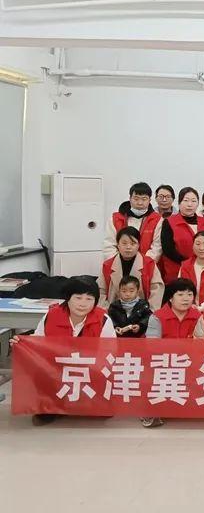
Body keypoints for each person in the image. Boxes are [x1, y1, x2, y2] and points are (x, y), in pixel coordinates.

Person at [10, 280, 115, 426]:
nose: (83, 303)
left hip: (90, 367)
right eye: (78, 298)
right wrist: (22, 342)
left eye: (89, 299)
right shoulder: (51, 315)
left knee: (103, 410)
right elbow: (38, 340)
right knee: (40, 370)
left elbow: (110, 350)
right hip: (57, 367)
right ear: (68, 298)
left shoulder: (103, 319)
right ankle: (49, 406)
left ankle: (89, 400)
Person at [142, 278, 201, 428]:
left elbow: (203, 344)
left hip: (191, 361)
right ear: (170, 297)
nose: (186, 299)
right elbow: (152, 346)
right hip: (164, 362)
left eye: (190, 294)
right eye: (180, 294)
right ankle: (152, 411)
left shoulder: (199, 316)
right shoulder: (157, 317)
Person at [98, 226, 164, 310]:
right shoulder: (107, 265)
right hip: (113, 311)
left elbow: (157, 290)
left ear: (138, 245)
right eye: (124, 243)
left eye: (133, 243)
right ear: (118, 245)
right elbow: (101, 291)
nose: (128, 247)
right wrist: (108, 312)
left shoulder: (149, 264)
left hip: (142, 312)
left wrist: (149, 313)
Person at [156, 187, 204, 283]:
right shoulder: (169, 221)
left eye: (193, 201)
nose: (189, 204)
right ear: (179, 202)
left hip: (202, 268)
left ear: (198, 203)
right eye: (186, 200)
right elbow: (168, 249)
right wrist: (188, 263)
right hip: (176, 270)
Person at [103, 181, 162, 259]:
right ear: (130, 199)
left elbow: (156, 248)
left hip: (147, 264)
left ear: (149, 200)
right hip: (119, 263)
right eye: (136, 199)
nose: (140, 203)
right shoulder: (115, 219)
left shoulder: (157, 220)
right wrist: (121, 263)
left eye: (144, 199)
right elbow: (109, 246)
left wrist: (142, 263)